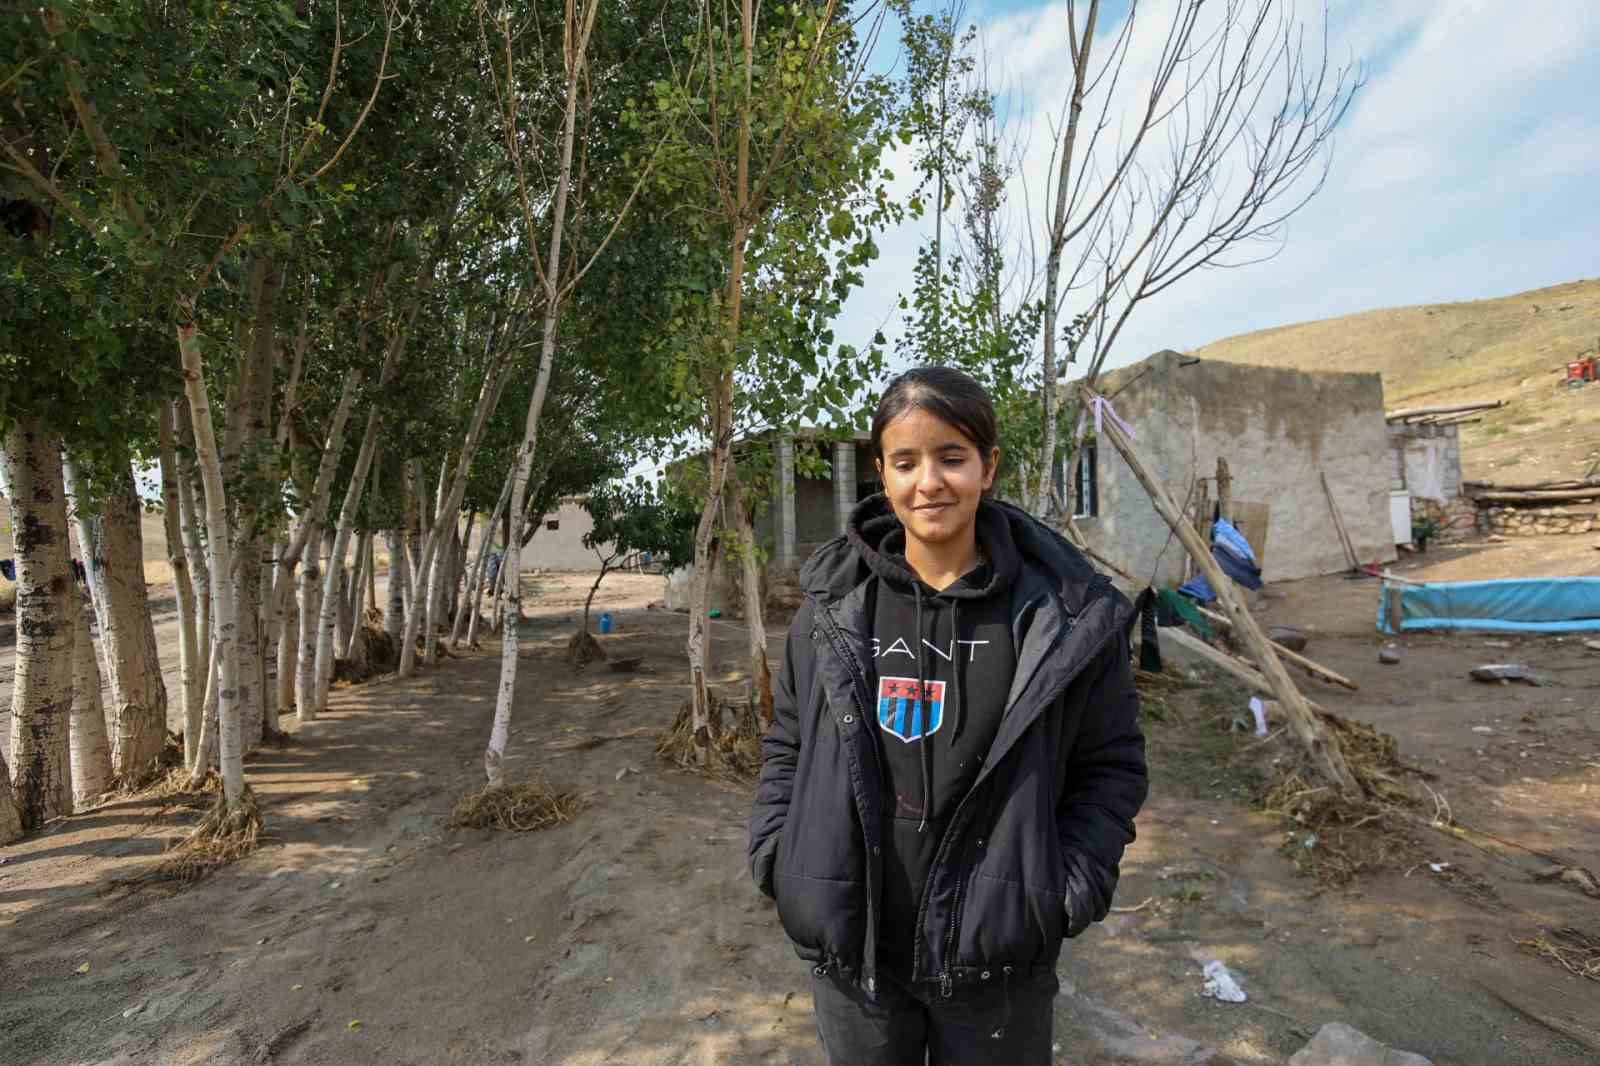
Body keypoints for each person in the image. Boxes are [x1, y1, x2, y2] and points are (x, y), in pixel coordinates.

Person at [747, 367, 1148, 1065]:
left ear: (988, 467)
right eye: (905, 461)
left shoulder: (1062, 617)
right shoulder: (830, 612)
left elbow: (1110, 765)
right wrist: (780, 859)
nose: (928, 481)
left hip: (999, 961)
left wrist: (1064, 890)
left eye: (951, 457)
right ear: (881, 472)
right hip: (857, 954)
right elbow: (788, 745)